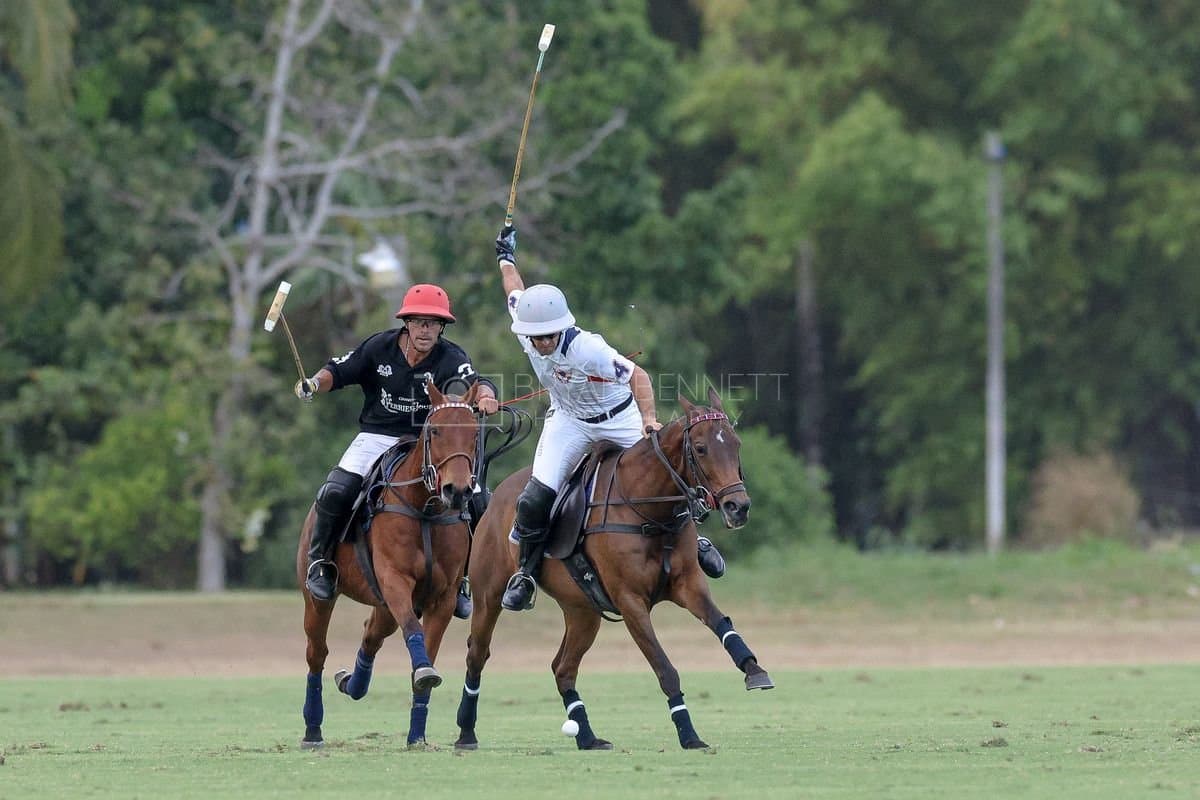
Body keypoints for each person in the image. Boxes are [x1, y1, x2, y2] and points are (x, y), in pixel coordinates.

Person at [493, 226, 726, 612]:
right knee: (535, 498)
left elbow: (639, 376)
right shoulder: (527, 326)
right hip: (568, 421)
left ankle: (696, 541)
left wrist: (648, 419)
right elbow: (512, 286)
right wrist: (505, 256)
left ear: (562, 327)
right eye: (538, 337)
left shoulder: (589, 349)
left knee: (667, 472)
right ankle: (527, 574)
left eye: (551, 335)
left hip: (618, 418)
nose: (544, 342)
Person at [295, 283, 499, 603]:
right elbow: (339, 370)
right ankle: (320, 562)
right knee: (337, 488)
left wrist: (486, 396)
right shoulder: (380, 347)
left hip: (426, 442)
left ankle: (461, 579)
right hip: (377, 436)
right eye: (419, 322)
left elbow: (475, 381)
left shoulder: (450, 357)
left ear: (441, 327)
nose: (426, 330)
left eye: (433, 323)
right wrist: (313, 383)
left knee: (477, 499)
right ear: (407, 322)